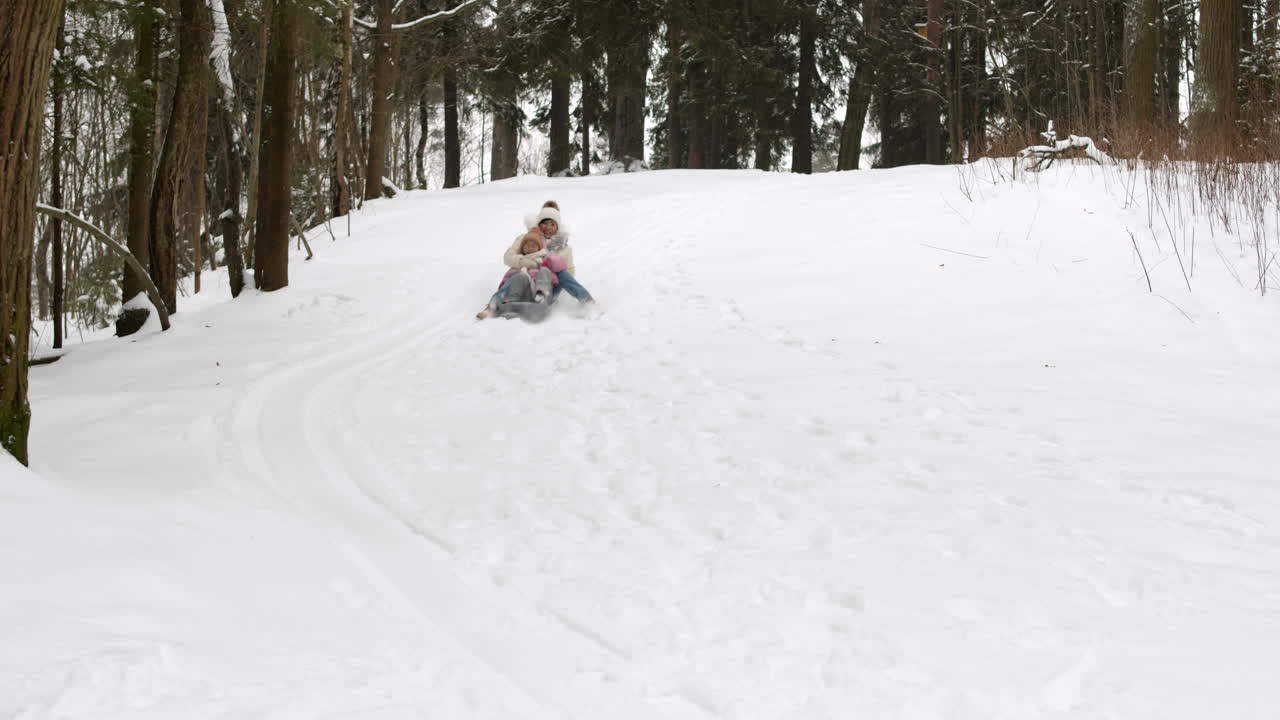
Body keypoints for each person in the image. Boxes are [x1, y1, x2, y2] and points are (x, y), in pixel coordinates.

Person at [476, 200, 594, 319]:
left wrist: (552, 271)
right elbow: (508, 258)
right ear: (538, 222)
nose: (548, 227)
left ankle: (587, 301)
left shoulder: (564, 248)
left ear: (558, 226)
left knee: (562, 273)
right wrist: (527, 262)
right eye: (544, 223)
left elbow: (569, 274)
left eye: (552, 224)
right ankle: (491, 307)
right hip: (524, 284)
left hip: (548, 289)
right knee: (516, 274)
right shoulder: (525, 239)